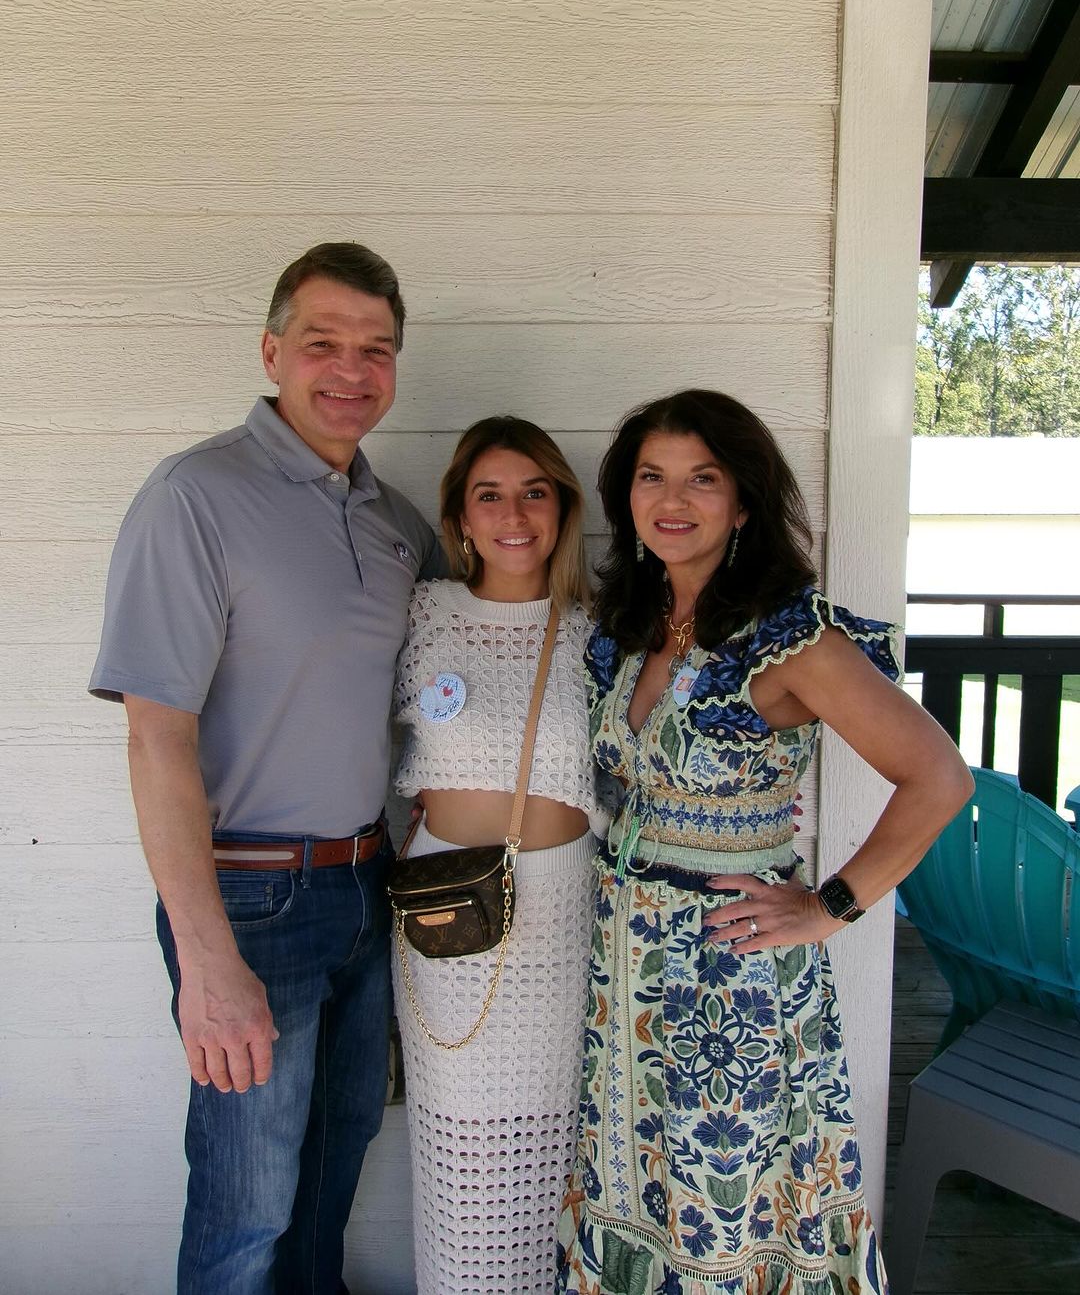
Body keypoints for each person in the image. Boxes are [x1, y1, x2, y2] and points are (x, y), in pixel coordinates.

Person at [556, 390, 973, 1295]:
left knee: (728, 1208)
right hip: (627, 968)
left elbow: (940, 776)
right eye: (652, 477)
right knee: (637, 1194)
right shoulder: (630, 628)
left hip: (729, 979)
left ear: (743, 501)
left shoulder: (789, 639)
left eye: (702, 479)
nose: (673, 499)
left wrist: (829, 906)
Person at [89, 242, 443, 1294]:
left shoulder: (395, 523)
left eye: (377, 348)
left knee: (330, 1181)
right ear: (271, 350)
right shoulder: (195, 496)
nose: (352, 369)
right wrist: (206, 962)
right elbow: (155, 737)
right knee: (245, 1212)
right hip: (247, 898)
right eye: (323, 342)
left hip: (369, 885)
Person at [391, 416, 605, 1295]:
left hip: (562, 916)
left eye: (534, 493)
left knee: (556, 1140)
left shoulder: (601, 631)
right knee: (460, 1148)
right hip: (444, 913)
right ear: (459, 518)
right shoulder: (423, 615)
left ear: (562, 509)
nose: (513, 515)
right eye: (490, 495)